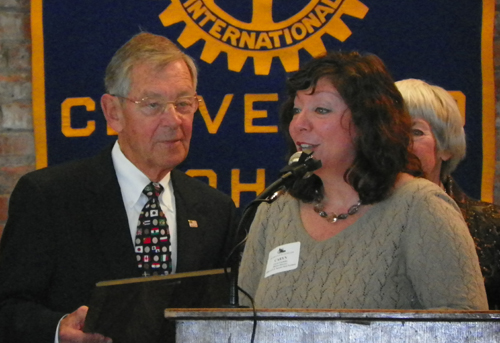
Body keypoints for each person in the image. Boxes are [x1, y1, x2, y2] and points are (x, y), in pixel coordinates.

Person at [0, 32, 237, 343]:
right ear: (113, 112)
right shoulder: (50, 196)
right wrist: (58, 328)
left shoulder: (215, 210)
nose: (174, 120)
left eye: (183, 103)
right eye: (153, 105)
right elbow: (7, 307)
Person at [238, 51, 488, 310]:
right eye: (297, 109)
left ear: (367, 122)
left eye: (321, 110)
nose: (299, 124)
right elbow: (243, 324)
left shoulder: (420, 207)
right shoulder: (274, 211)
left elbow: (466, 328)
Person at [396, 78, 500, 310]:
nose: (400, 144)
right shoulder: (350, 219)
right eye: (390, 132)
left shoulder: (492, 226)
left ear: (445, 147)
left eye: (415, 131)